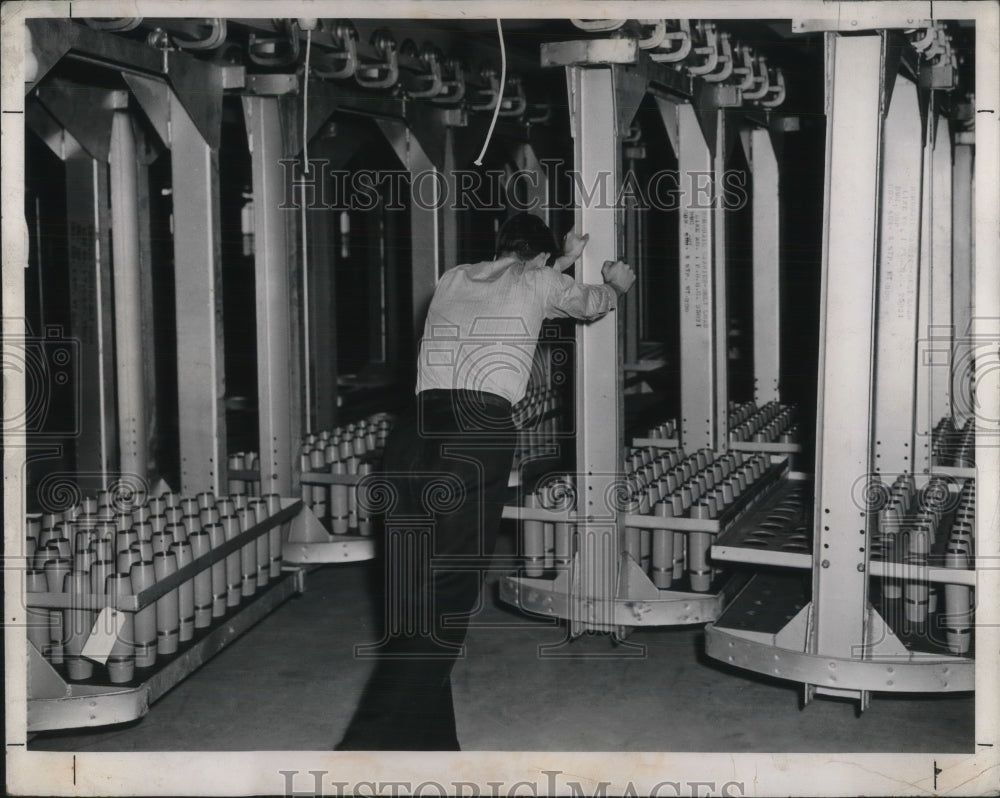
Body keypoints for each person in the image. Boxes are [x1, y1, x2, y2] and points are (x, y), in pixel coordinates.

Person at [337, 212, 635, 751]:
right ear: (541, 259)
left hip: (411, 436)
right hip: (474, 437)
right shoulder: (542, 281)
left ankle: (431, 744)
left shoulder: (454, 277)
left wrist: (557, 260)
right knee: (447, 596)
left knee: (411, 596)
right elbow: (586, 303)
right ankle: (363, 752)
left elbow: (519, 280)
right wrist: (614, 283)